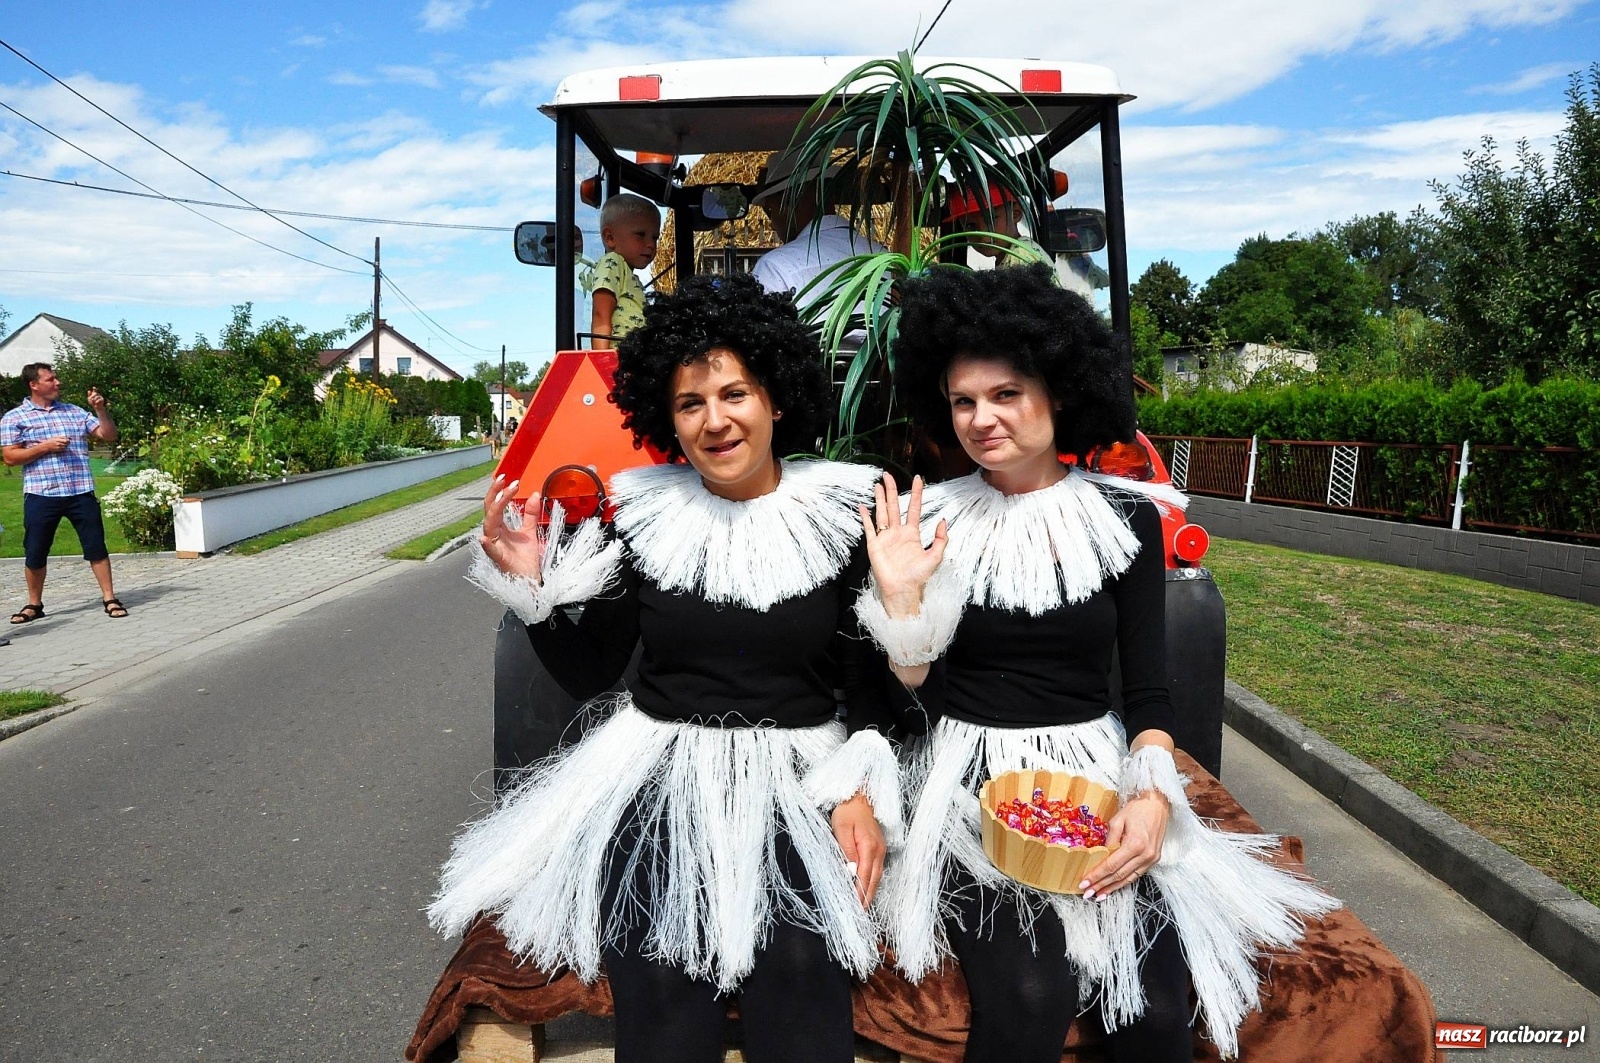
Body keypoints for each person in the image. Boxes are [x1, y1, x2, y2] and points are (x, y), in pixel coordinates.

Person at [855, 265, 1336, 1062]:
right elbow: (912, 706)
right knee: (1031, 993)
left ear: (1059, 391)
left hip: (1092, 771)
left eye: (1006, 394)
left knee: (1148, 1009)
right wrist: (902, 605)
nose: (981, 418)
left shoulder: (1127, 521)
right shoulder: (923, 522)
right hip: (964, 783)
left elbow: (1148, 691)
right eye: (963, 400)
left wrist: (1152, 799)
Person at [428, 273, 901, 1063]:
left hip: (803, 769)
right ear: (668, 420)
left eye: (734, 393)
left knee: (797, 961)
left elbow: (874, 683)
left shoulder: (846, 513)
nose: (715, 420)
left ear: (775, 398)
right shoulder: (645, 516)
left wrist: (856, 783)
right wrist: (537, 588)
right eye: (690, 403)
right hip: (661, 769)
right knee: (657, 966)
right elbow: (590, 670)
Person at [1, 363, 127, 623]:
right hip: (41, 494)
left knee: (96, 547)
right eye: (51, 379)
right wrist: (45, 447)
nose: (57, 383)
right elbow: (11, 457)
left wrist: (100, 409)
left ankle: (109, 598)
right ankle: (34, 605)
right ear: (34, 385)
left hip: (80, 491)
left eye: (56, 378)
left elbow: (108, 435)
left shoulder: (74, 411)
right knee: (35, 550)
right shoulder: (15, 418)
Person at [750, 150, 885, 303]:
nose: (771, 223)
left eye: (769, 210)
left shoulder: (774, 268)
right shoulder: (884, 257)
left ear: (788, 202)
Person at [589, 193, 660, 350]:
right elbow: (601, 315)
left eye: (655, 237)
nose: (650, 244)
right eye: (640, 235)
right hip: (617, 360)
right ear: (610, 238)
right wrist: (601, 361)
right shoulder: (612, 263)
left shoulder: (631, 277)